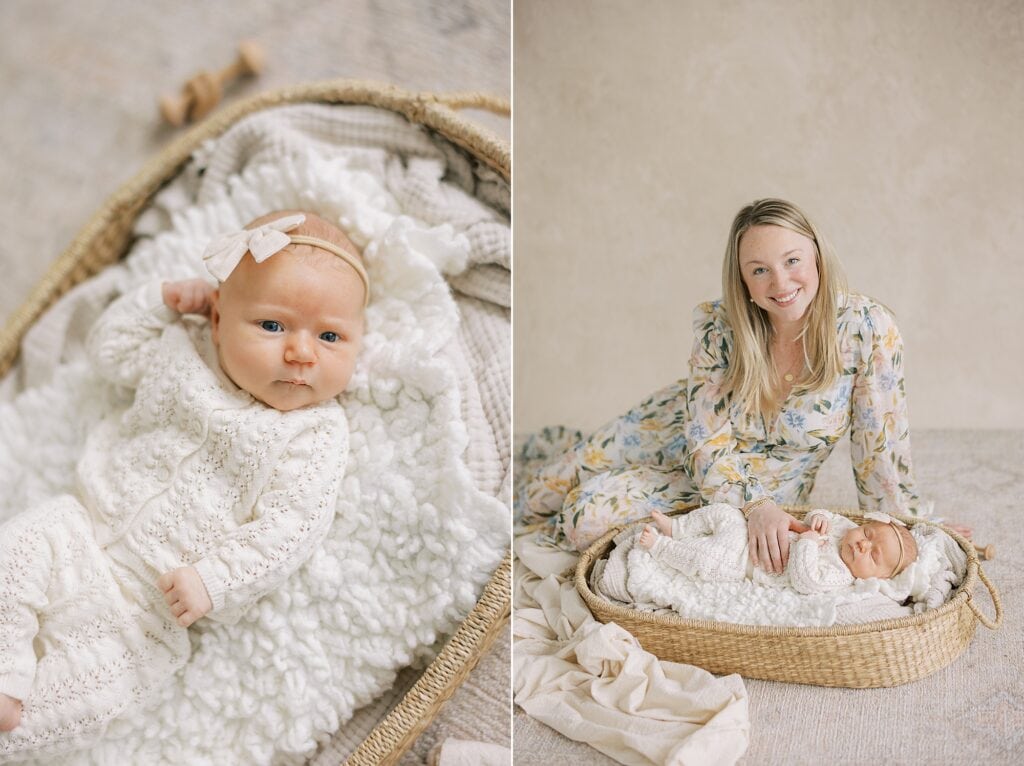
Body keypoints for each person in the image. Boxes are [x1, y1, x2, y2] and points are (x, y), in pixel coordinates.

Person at [0, 211, 366, 752]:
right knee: (19, 547)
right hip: (77, 530)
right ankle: (5, 662)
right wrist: (163, 300)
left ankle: (14, 725)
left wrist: (214, 581)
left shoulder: (314, 434)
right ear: (217, 318)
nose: (301, 352)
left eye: (331, 336)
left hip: (148, 613)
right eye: (272, 325)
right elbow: (110, 352)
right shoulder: (184, 349)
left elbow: (291, 528)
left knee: (93, 688)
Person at [518, 198, 969, 563]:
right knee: (542, 492)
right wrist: (750, 507)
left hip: (768, 484)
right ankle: (582, 460)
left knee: (584, 519)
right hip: (675, 431)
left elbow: (879, 448)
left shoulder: (866, 329)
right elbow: (705, 439)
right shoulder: (721, 327)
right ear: (743, 280)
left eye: (792, 260)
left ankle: (617, 487)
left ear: (817, 256)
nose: (780, 282)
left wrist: (907, 529)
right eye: (759, 269)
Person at [636, 506, 918, 593]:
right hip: (749, 531)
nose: (864, 544)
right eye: (868, 533)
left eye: (873, 555)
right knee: (724, 512)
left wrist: (807, 542)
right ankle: (679, 528)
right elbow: (823, 515)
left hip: (745, 561)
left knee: (705, 559)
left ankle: (660, 547)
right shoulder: (844, 529)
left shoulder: (840, 575)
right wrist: (816, 518)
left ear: (876, 578)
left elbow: (806, 580)